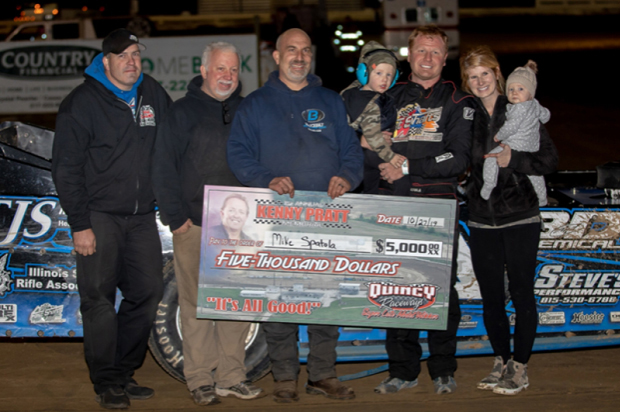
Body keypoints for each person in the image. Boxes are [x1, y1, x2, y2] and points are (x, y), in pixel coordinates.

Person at [227, 28, 363, 403]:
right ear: (276, 56)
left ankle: (322, 374)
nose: (299, 57)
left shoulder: (331, 100)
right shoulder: (255, 104)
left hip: (326, 217)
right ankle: (285, 376)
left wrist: (347, 176)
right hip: (275, 219)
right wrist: (265, 179)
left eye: (305, 51)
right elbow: (238, 154)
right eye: (291, 50)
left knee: (327, 298)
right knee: (279, 298)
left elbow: (352, 151)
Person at [51, 28, 171, 409]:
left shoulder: (151, 93)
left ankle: (123, 371)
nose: (132, 62)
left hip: (141, 217)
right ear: (105, 62)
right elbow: (66, 168)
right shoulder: (81, 103)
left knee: (148, 292)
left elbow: (173, 139)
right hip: (99, 216)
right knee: (99, 299)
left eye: (136, 54)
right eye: (123, 56)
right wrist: (80, 223)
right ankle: (105, 382)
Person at [152, 42, 264, 406]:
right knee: (196, 304)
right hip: (195, 225)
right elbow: (163, 166)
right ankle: (200, 378)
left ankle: (231, 377)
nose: (227, 76)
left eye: (233, 70)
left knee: (234, 304)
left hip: (238, 228)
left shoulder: (247, 110)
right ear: (204, 71)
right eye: (220, 69)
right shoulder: (181, 112)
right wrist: (176, 218)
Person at [374, 25, 474, 395]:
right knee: (396, 286)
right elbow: (365, 142)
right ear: (409, 54)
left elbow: (458, 158)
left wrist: (407, 165)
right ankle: (402, 370)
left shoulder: (459, 101)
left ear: (445, 59)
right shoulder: (388, 95)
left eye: (435, 52)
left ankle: (443, 368)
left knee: (440, 288)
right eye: (421, 50)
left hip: (437, 207)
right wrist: (372, 145)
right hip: (395, 205)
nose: (427, 58)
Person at [459, 45, 558, 395]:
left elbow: (549, 161)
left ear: (497, 73)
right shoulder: (465, 114)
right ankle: (500, 360)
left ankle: (520, 366)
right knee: (491, 297)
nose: (480, 81)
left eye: (485, 73)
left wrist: (513, 159)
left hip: (520, 215)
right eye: (472, 76)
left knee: (521, 292)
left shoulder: (520, 106)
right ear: (466, 81)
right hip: (481, 218)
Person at [340, 40, 407, 194]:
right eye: (379, 73)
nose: (385, 79)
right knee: (394, 176)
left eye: (389, 75)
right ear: (364, 73)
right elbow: (372, 136)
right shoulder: (372, 103)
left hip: (350, 153)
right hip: (369, 154)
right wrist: (391, 157)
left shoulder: (351, 92)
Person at [480, 60, 550, 205]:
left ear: (530, 93)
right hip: (531, 146)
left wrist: (499, 136)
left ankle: (489, 184)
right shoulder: (534, 104)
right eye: (511, 89)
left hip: (516, 144)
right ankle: (542, 197)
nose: (514, 93)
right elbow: (546, 115)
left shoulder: (519, 108)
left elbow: (511, 126)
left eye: (520, 89)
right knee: (534, 174)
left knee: (491, 159)